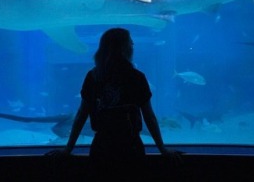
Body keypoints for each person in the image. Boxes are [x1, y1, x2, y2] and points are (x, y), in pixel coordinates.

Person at [46, 28, 182, 178]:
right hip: (131, 147)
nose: (133, 44)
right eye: (130, 42)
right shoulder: (136, 77)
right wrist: (162, 149)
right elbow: (149, 117)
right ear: (124, 47)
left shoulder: (93, 76)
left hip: (102, 146)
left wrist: (68, 149)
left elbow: (81, 115)